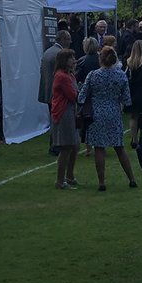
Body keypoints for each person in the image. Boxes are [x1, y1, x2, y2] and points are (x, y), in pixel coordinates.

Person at [79, 47, 138, 191]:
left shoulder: (93, 75)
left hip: (96, 113)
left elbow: (81, 97)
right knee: (119, 147)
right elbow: (127, 100)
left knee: (99, 148)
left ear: (101, 59)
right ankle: (132, 179)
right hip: (113, 113)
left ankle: (101, 182)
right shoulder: (121, 76)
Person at [51, 49, 80, 190]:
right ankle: (60, 180)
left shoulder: (70, 75)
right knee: (66, 147)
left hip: (70, 112)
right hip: (64, 113)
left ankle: (69, 176)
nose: (74, 60)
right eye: (71, 58)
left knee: (75, 146)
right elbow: (73, 95)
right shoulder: (62, 76)